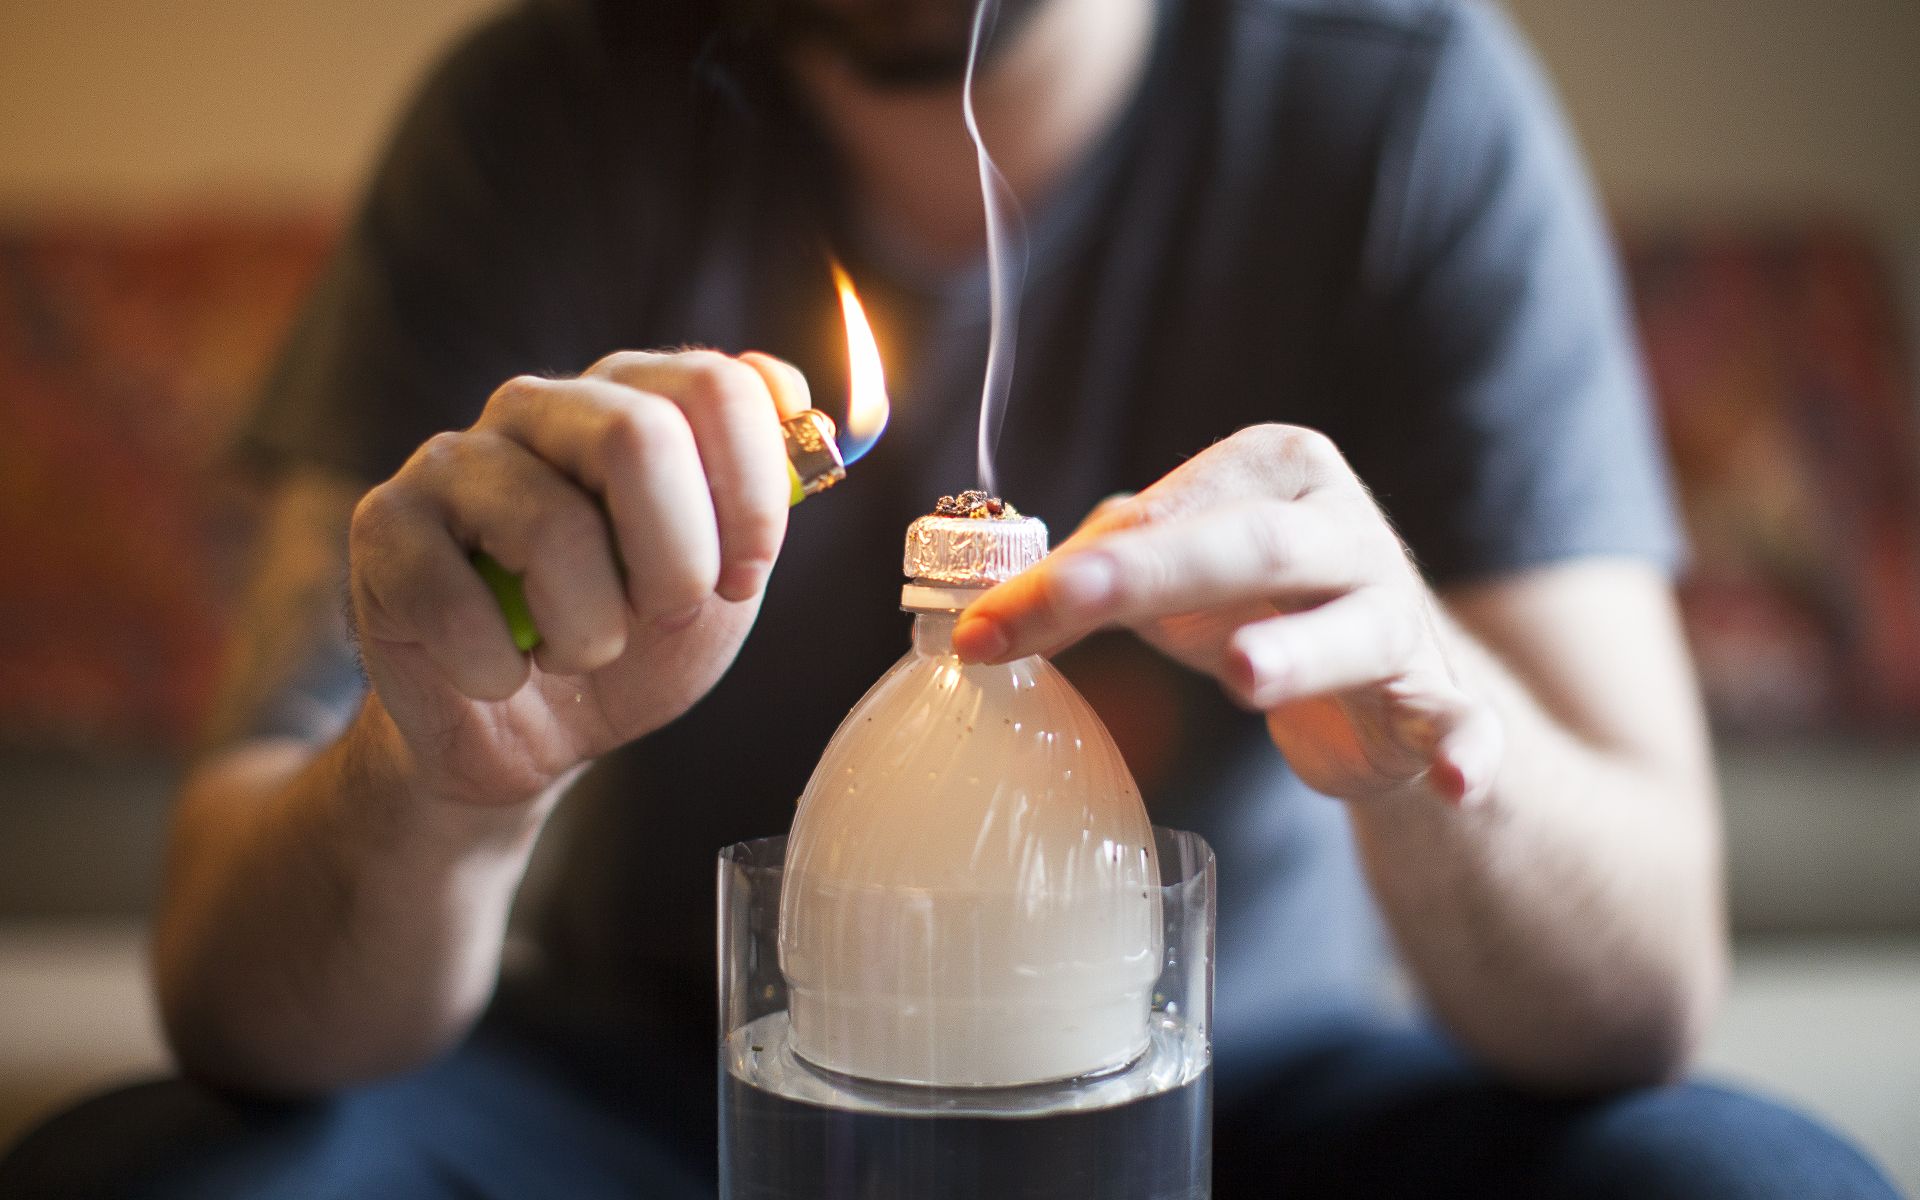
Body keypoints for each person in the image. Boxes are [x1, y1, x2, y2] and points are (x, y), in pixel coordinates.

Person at [0, 0, 1901, 1195]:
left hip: (1237, 1086)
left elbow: (1651, 978)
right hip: (677, 1077)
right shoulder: (539, 116)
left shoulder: (1406, 107)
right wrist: (439, 776)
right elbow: (226, 982)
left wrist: (1432, 729)